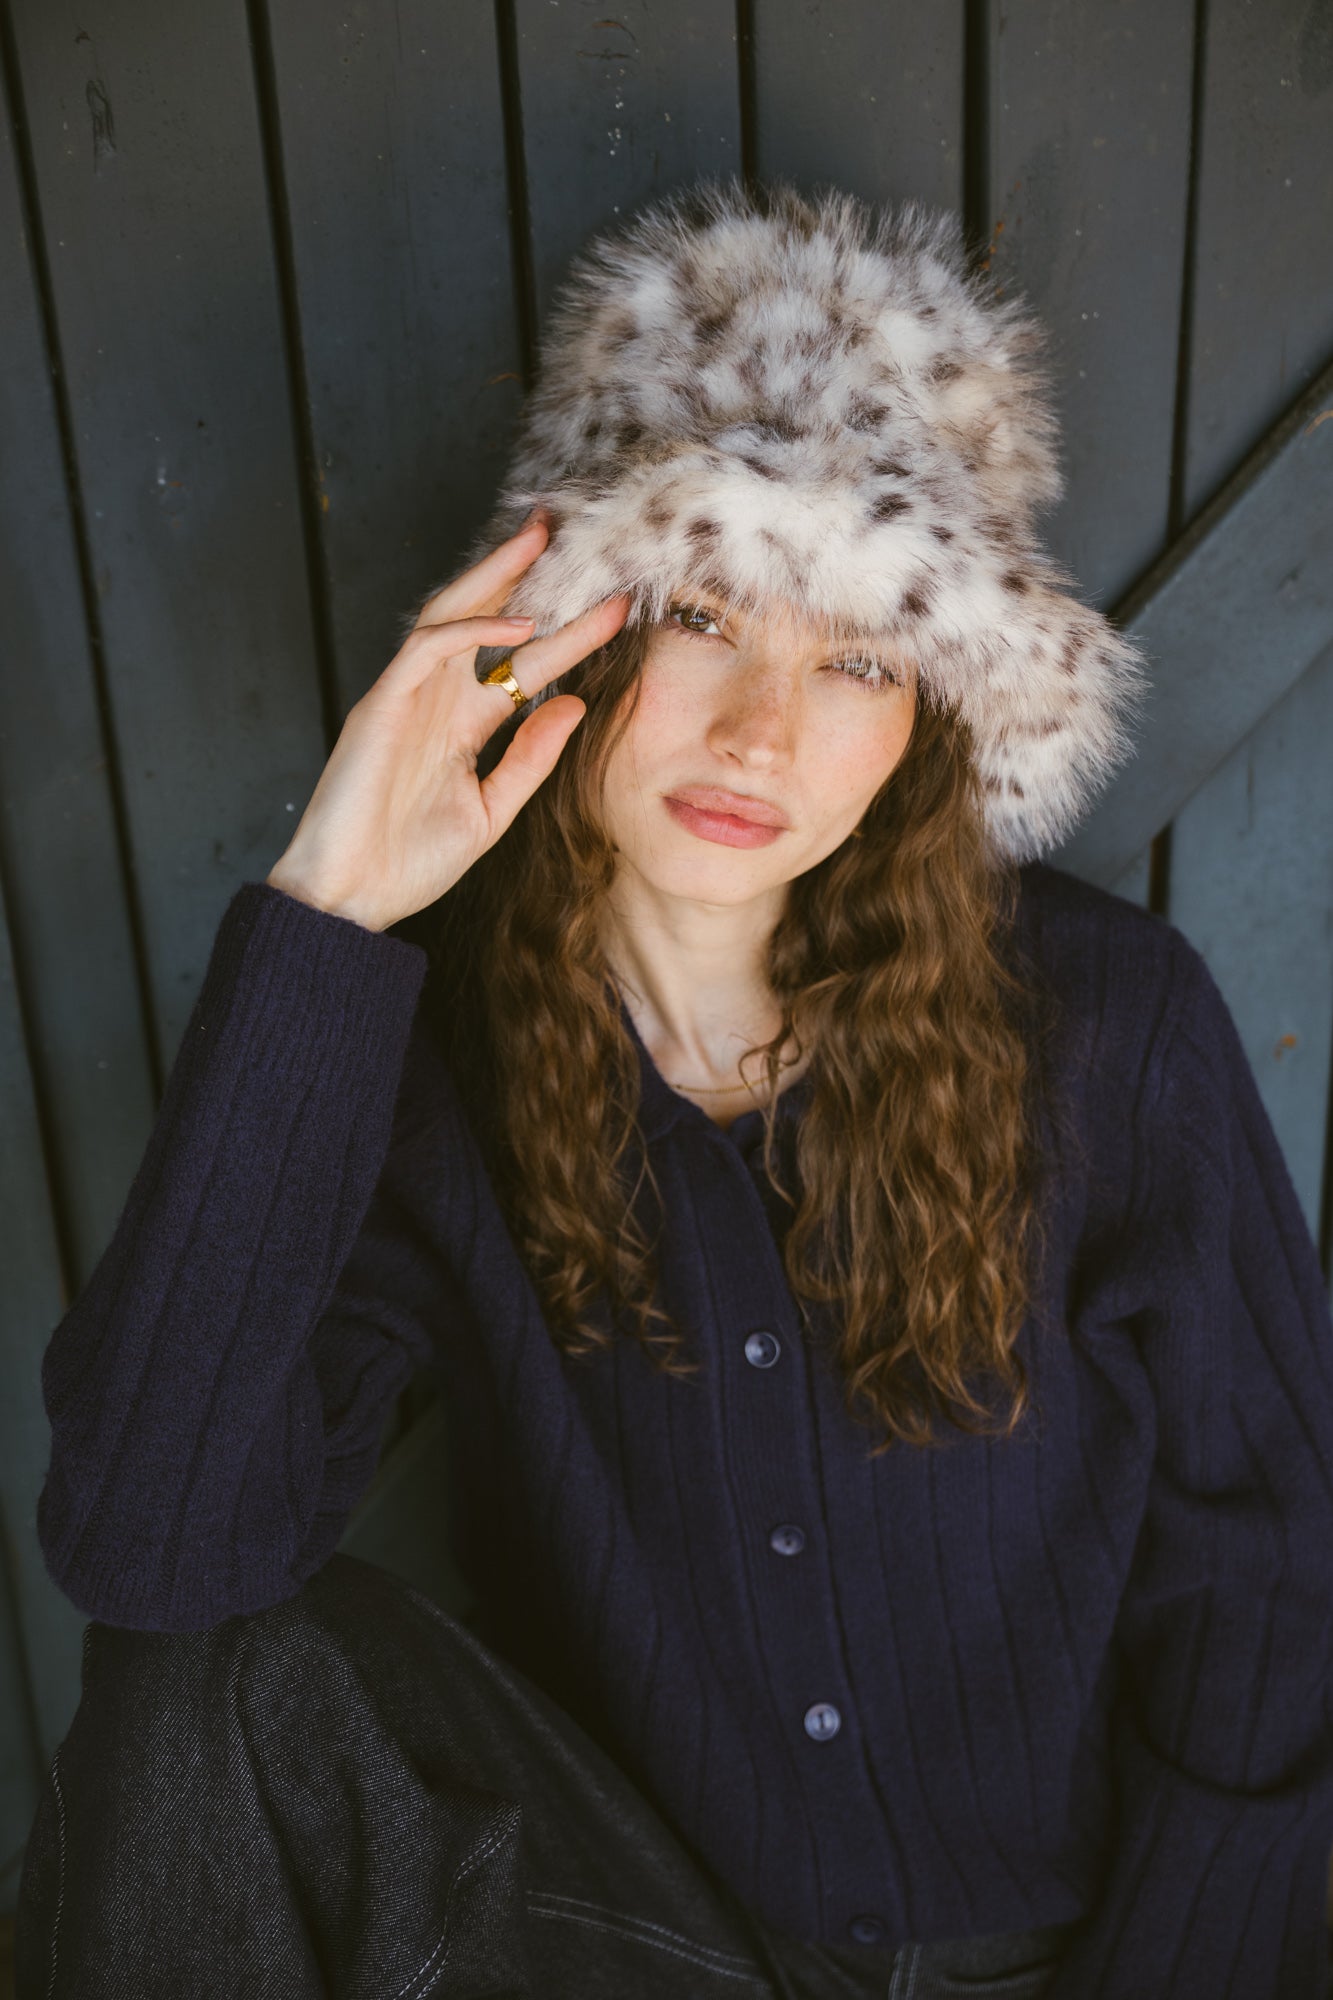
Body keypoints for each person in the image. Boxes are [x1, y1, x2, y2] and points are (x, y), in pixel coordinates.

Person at [14, 177, 1333, 2000]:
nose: (761, 733)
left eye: (858, 657)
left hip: (1042, 1958)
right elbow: (149, 1546)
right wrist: (326, 911)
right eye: (710, 615)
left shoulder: (1114, 1030)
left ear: (928, 719)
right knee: (198, 1669)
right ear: (584, 630)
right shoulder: (423, 1055)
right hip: (637, 1936)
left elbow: (1272, 1595)